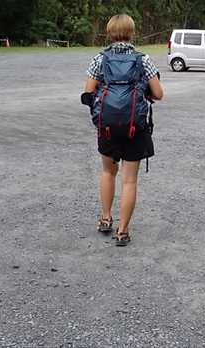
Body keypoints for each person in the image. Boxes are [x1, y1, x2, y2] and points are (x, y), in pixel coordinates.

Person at [81, 14, 163, 246]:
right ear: (132, 33)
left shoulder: (99, 59)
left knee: (108, 172)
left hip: (107, 126)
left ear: (109, 33)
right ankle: (122, 231)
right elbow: (158, 94)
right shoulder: (143, 60)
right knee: (129, 181)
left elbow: (88, 93)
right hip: (134, 127)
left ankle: (105, 219)